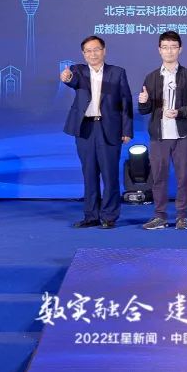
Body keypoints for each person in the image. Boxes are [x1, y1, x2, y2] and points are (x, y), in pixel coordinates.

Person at [61, 35, 133, 229]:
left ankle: (109, 216)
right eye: (88, 51)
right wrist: (67, 78)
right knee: (89, 173)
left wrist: (127, 130)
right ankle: (91, 215)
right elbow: (72, 80)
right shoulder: (78, 70)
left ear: (104, 51)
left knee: (110, 175)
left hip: (109, 128)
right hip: (85, 129)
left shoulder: (117, 73)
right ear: (83, 54)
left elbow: (126, 102)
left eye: (96, 50)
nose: (93, 54)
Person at [138, 31, 187, 230]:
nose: (169, 51)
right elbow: (144, 110)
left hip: (182, 135)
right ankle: (159, 216)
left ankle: (182, 216)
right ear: (159, 50)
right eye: (165, 47)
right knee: (158, 177)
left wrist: (180, 112)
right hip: (159, 136)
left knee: (183, 177)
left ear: (180, 49)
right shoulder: (151, 77)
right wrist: (143, 101)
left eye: (173, 47)